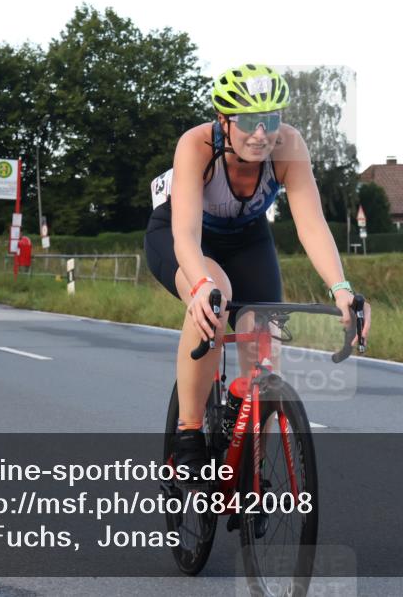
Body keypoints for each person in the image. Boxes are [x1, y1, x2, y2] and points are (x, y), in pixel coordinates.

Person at [144, 64, 372, 474]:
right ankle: (190, 432)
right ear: (223, 121)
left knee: (264, 341)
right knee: (217, 298)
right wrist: (200, 286)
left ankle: (250, 467)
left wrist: (341, 289)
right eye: (249, 121)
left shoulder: (289, 146)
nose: (261, 133)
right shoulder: (196, 145)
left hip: (247, 238)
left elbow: (311, 224)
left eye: (271, 120)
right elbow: (186, 233)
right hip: (183, 236)